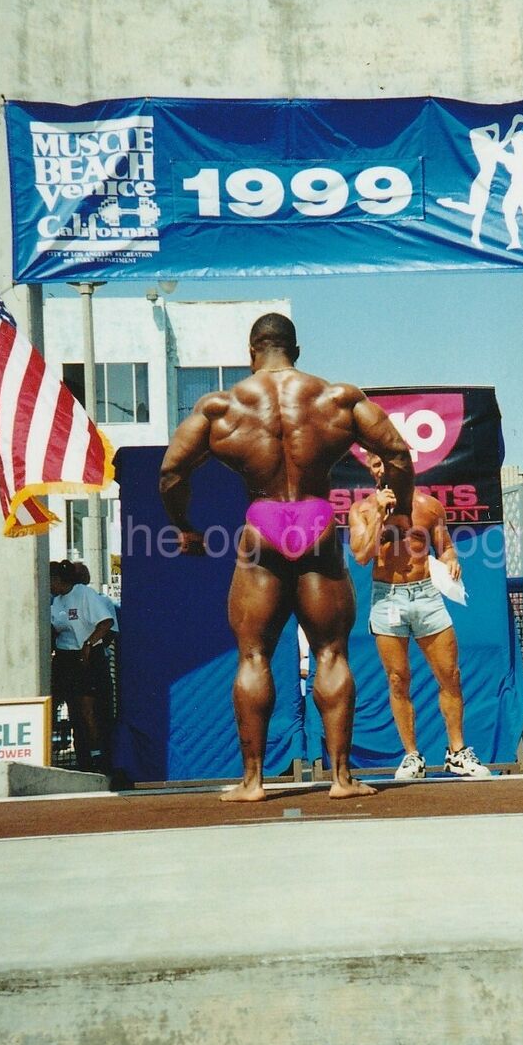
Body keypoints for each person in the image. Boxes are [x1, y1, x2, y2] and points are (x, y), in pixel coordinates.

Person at [159, 313, 413, 803]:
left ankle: (253, 783)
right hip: (317, 521)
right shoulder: (337, 398)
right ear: (296, 348)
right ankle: (341, 779)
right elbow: (397, 453)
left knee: (254, 654)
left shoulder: (220, 407)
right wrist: (400, 512)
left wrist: (185, 529)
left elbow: (171, 472)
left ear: (251, 350)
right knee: (331, 653)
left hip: (262, 523)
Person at [348, 453, 492, 781]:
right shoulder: (362, 510)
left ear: (405, 467)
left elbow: (445, 547)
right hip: (388, 597)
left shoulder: (428, 506)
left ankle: (457, 752)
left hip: (426, 593)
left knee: (449, 674)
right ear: (371, 471)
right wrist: (379, 518)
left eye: (388, 462)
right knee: (398, 678)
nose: (382, 469)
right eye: (375, 464)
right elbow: (361, 555)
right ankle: (412, 756)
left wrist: (452, 560)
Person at [49, 559, 117, 774]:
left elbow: (107, 623)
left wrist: (89, 643)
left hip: (87, 657)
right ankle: (75, 756)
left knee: (88, 710)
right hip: (64, 657)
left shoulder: (84, 594)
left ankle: (98, 758)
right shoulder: (55, 601)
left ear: (59, 580)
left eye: (50, 580)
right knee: (67, 710)